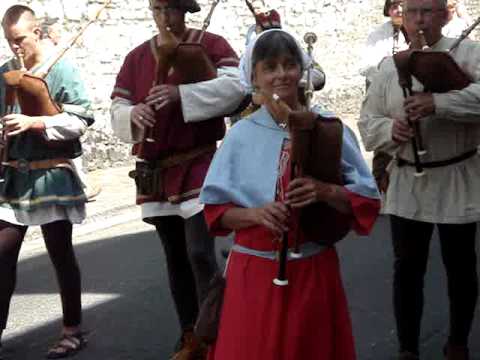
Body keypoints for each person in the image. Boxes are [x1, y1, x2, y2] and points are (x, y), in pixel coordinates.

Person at [200, 29, 380, 360]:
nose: (281, 75)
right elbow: (215, 212)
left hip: (313, 272)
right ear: (254, 76)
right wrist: (255, 214)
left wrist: (325, 191)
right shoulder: (240, 136)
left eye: (288, 64)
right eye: (269, 67)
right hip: (253, 275)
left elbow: (367, 201)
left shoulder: (327, 128)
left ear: (302, 69)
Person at [109, 0, 243, 359]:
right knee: (176, 258)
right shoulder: (136, 57)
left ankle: (215, 332)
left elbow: (237, 89)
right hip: (156, 169)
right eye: (158, 9)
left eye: (171, 9)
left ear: (185, 9)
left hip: (199, 161)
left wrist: (180, 94)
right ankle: (190, 337)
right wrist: (133, 113)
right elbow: (116, 109)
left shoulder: (210, 44)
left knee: (200, 253)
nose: (165, 18)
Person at [358, 0, 480, 359]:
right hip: (409, 180)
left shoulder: (469, 54)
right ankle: (407, 349)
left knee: (460, 267)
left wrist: (438, 104)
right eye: (412, 12)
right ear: (402, 16)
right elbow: (368, 121)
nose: (420, 20)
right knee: (407, 269)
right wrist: (389, 129)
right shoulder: (388, 67)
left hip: (457, 178)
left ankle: (457, 342)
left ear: (445, 15)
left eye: (428, 11)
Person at [0, 5, 94, 359]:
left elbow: (82, 118)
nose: (15, 48)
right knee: (2, 254)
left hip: (53, 172)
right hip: (15, 176)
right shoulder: (5, 73)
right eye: (10, 41)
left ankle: (72, 330)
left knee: (60, 252)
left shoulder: (62, 68)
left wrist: (34, 123)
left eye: (20, 40)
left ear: (36, 32)